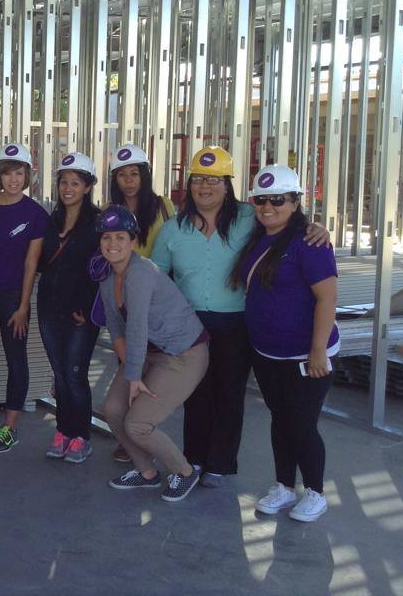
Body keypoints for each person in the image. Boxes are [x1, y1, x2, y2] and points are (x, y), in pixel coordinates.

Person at [151, 147, 331, 489]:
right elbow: (156, 277)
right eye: (198, 179)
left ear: (227, 184)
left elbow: (286, 221)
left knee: (230, 394)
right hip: (190, 326)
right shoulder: (173, 229)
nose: (205, 187)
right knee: (196, 394)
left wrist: (316, 227)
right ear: (189, 185)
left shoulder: (250, 217)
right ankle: (195, 459)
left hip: (236, 324)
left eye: (214, 180)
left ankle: (221, 463)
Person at [232, 165, 339, 523]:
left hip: (306, 355)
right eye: (261, 200)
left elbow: (327, 298)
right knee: (280, 419)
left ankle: (315, 492)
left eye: (278, 200)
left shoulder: (311, 243)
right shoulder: (257, 238)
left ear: (295, 202)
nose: (268, 207)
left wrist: (318, 351)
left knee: (302, 423)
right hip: (267, 352)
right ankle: (284, 486)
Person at [99, 205, 210, 503]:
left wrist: (134, 377)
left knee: (138, 424)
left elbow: (137, 326)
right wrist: (130, 370)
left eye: (120, 237)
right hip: (150, 354)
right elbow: (115, 327)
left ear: (133, 241)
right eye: (106, 237)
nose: (112, 244)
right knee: (113, 409)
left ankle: (184, 472)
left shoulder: (141, 272)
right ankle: (146, 471)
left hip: (183, 354)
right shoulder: (108, 279)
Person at [0, 143, 48, 453]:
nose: (13, 180)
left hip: (14, 296)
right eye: (7, 174)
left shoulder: (35, 214)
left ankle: (11, 426)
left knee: (16, 359)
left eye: (19, 173)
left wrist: (23, 305)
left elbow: (31, 264)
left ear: (27, 175)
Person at [106, 144, 175, 463]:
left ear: (144, 175)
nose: (129, 181)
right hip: (124, 299)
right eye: (122, 175)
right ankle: (127, 435)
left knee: (153, 366)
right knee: (128, 365)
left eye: (134, 174)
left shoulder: (163, 206)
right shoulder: (110, 209)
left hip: (156, 299)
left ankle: (142, 429)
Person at [38, 153, 102, 464]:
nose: (68, 188)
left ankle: (81, 436)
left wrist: (87, 307)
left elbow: (102, 270)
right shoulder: (51, 221)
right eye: (64, 182)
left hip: (81, 314)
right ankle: (63, 431)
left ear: (88, 187)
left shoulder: (98, 223)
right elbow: (40, 263)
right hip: (49, 309)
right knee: (61, 375)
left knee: (75, 374)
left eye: (75, 183)